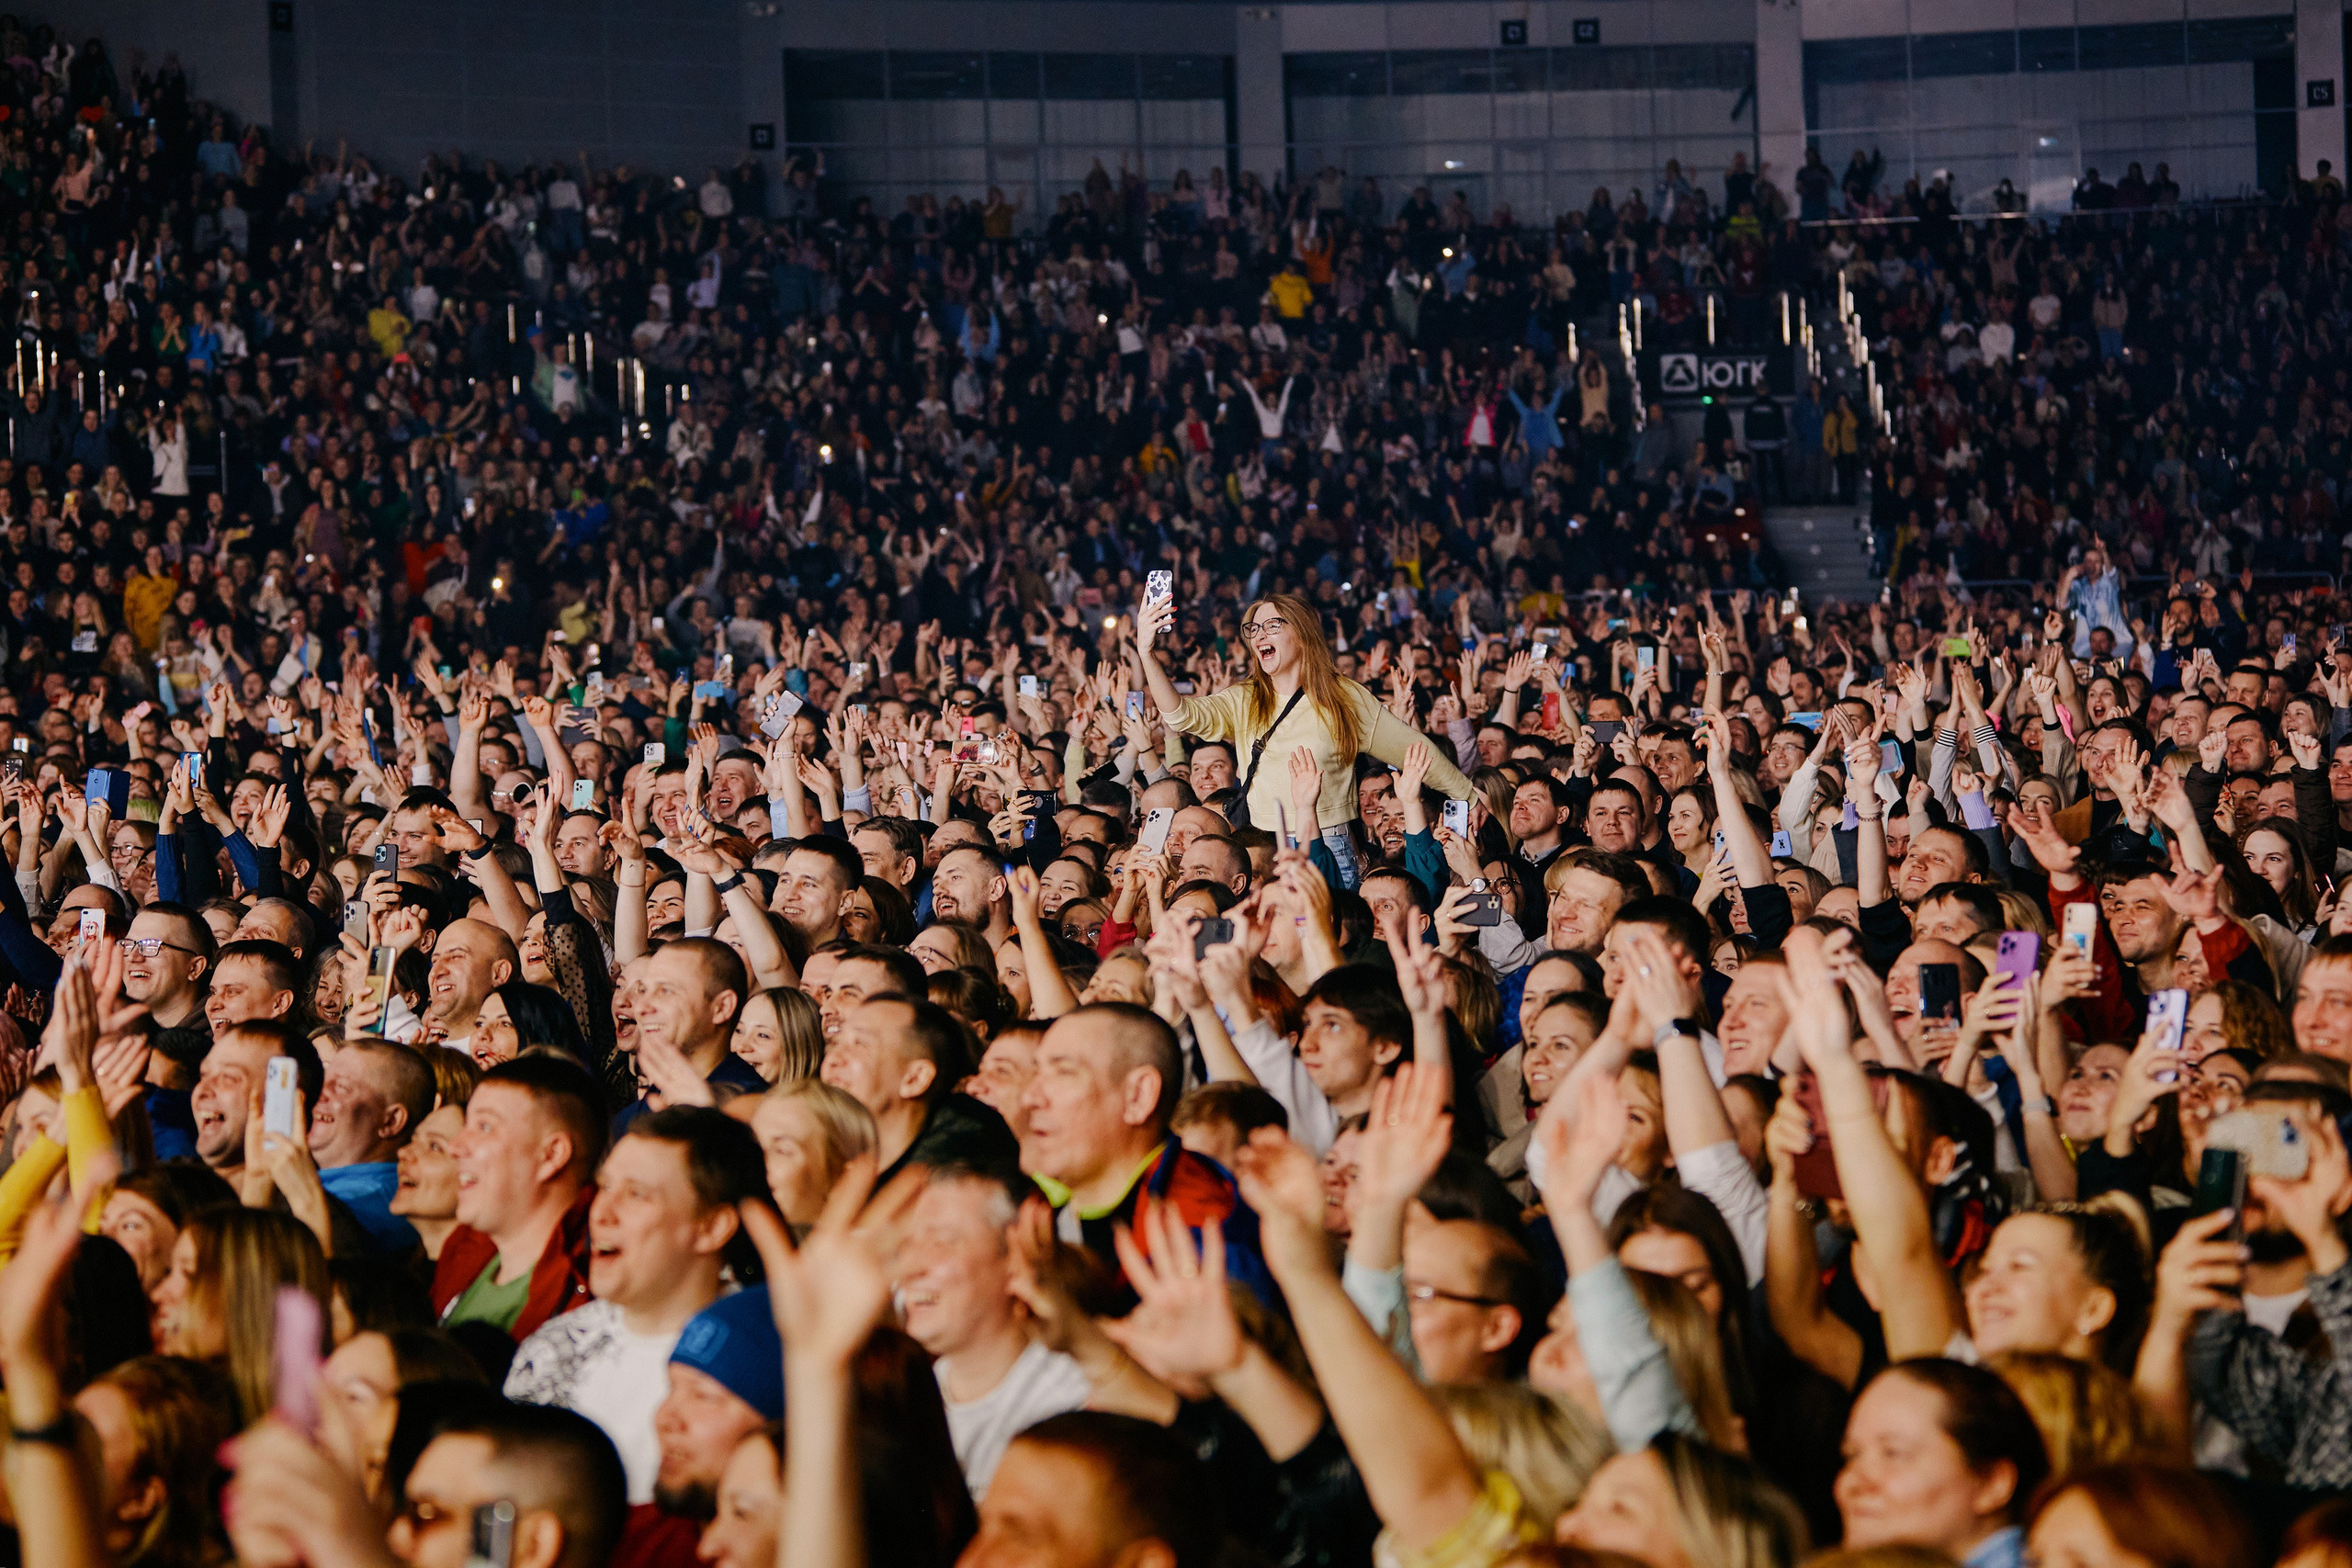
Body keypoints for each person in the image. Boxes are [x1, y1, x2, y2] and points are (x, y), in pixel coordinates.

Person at [505, 1106, 764, 1504]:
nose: (601, 1213)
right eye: (605, 1187)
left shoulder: (760, 1363)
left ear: (712, 1227)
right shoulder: (551, 1349)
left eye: (636, 1195)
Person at [434, 1054, 607, 1340]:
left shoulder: (599, 1291)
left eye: (485, 1127)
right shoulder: (461, 1253)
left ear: (551, 1155)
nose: (456, 1146)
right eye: (466, 1125)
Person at [310, 1039, 438, 1253]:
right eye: (323, 1080)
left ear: (391, 1122)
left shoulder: (367, 1208)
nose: (318, 1093)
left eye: (340, 1086)